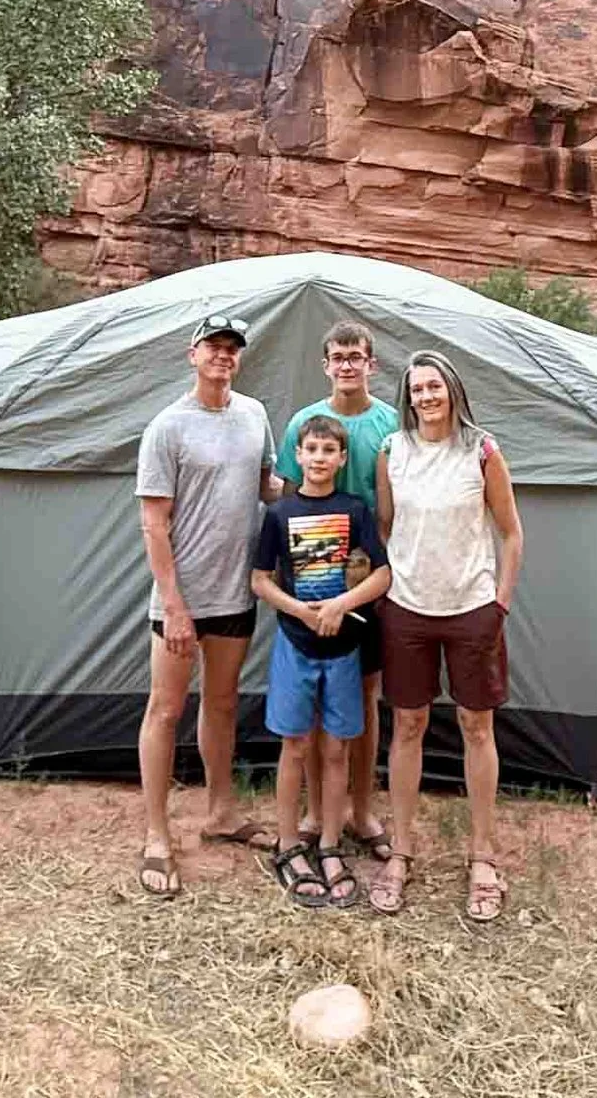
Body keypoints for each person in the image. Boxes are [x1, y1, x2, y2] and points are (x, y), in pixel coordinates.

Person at [133, 311, 282, 898]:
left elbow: (268, 485)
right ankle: (156, 834)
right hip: (181, 598)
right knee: (164, 711)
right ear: (191, 354)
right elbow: (153, 522)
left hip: (233, 593)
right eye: (213, 346)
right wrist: (173, 605)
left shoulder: (255, 415)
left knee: (220, 704)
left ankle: (221, 814)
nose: (223, 355)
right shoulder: (167, 428)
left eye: (231, 348)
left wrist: (320, 486)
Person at [371, 349, 523, 923]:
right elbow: (387, 526)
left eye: (435, 387)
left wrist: (499, 603)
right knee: (407, 725)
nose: (427, 397)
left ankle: (482, 856)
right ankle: (401, 851)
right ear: (407, 397)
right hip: (408, 609)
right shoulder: (394, 452)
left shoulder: (482, 451)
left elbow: (511, 533)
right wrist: (393, 586)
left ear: (453, 391)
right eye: (417, 389)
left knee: (474, 725)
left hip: (472, 609)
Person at [250, 414, 392, 908]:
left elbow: (381, 576)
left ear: (341, 458)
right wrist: (301, 612)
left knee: (335, 751)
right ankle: (289, 843)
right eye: (310, 450)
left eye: (328, 451)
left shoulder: (354, 511)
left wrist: (339, 607)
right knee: (294, 747)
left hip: (345, 649)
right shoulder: (279, 514)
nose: (318, 459)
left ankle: (330, 843)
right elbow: (261, 579)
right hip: (296, 643)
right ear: (299, 456)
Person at [271, 320, 400, 859]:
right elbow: (283, 491)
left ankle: (362, 810)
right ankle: (315, 813)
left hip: (368, 584)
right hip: (308, 587)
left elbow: (397, 499)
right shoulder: (305, 423)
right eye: (338, 356)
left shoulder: (391, 423)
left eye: (357, 356)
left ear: (372, 364)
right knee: (312, 707)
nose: (347, 364)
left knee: (363, 699)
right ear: (325, 364)